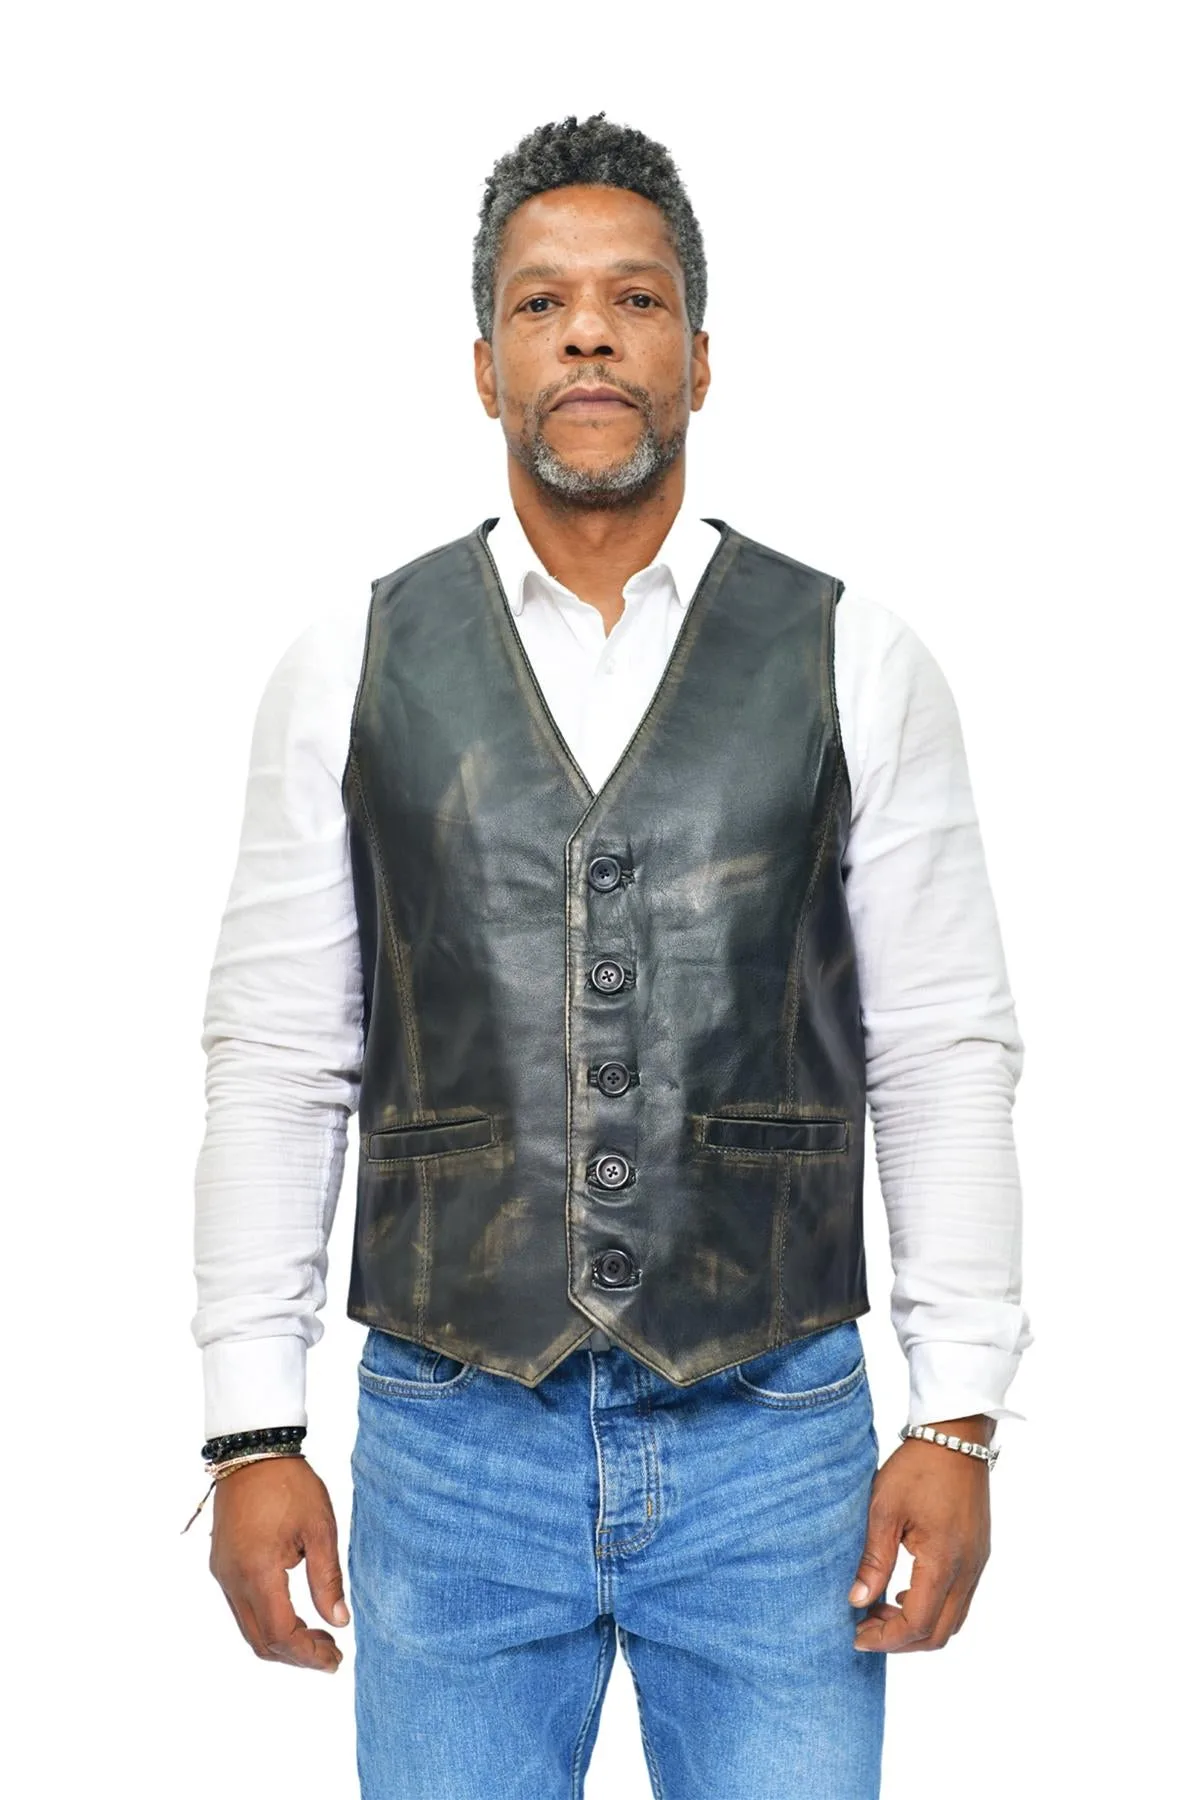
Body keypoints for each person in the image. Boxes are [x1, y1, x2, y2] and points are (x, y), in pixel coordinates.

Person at [190, 111, 1032, 1800]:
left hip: (776, 1437)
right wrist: (251, 1426)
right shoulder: (350, 661)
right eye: (542, 303)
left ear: (699, 360)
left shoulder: (856, 656)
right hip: (450, 1439)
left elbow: (942, 1045)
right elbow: (282, 1057)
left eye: (636, 300)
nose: (588, 333)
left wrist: (958, 1413)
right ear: (485, 366)